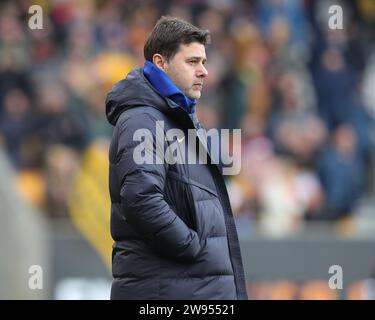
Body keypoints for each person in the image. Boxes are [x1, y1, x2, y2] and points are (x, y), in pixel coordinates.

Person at [106, 16, 248, 300]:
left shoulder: (178, 117)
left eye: (204, 62)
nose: (204, 71)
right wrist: (192, 247)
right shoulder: (142, 119)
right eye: (193, 62)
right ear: (161, 63)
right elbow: (141, 199)